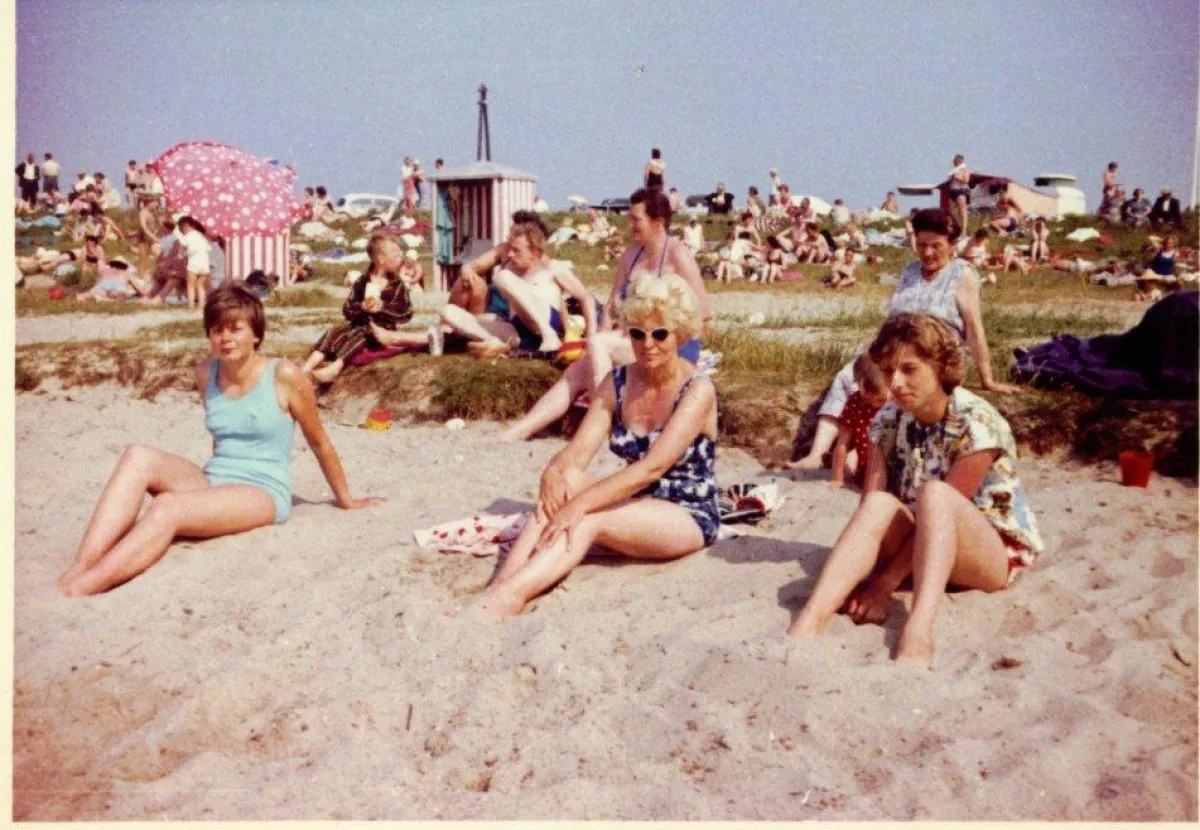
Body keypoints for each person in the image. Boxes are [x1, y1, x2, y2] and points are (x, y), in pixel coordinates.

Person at [57, 285, 384, 596]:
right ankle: (82, 565)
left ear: (256, 334)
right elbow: (225, 439)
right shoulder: (205, 372)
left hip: (262, 491)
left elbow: (320, 442)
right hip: (214, 479)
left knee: (166, 506)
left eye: (235, 328)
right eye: (217, 330)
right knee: (136, 456)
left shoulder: (284, 375)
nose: (225, 337)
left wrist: (346, 499)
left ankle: (83, 587)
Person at [788, 313, 1043, 666]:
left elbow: (943, 513)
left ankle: (919, 628)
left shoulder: (977, 422)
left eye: (909, 369)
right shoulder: (889, 420)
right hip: (923, 543)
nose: (895, 383)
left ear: (940, 367)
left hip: (989, 553)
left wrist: (884, 584)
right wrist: (865, 570)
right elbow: (870, 509)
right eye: (889, 370)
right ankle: (809, 621)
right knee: (879, 502)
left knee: (936, 493)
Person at [464, 272, 718, 619]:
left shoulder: (697, 390)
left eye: (660, 333)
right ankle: (502, 584)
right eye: (638, 333)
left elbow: (651, 468)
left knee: (582, 517)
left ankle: (511, 597)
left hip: (686, 512)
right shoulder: (619, 382)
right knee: (561, 491)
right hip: (637, 501)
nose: (648, 344)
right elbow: (578, 451)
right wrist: (555, 471)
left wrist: (580, 504)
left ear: (681, 334)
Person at [792, 207, 1019, 470]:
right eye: (922, 245)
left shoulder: (962, 274)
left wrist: (987, 379)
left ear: (952, 244)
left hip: (934, 354)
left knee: (896, 387)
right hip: (896, 348)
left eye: (936, 246)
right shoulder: (910, 270)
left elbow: (974, 328)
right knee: (848, 375)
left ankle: (868, 456)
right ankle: (818, 453)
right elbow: (892, 318)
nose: (928, 252)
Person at [499, 187, 711, 442]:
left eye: (636, 219)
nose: (629, 224)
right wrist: (599, 338)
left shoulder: (677, 254)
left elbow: (704, 313)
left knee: (599, 344)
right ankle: (519, 431)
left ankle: (603, 426)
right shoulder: (632, 255)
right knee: (578, 369)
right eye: (629, 218)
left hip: (672, 345)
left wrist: (663, 331)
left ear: (658, 221)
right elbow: (611, 305)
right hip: (634, 341)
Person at [439, 222, 596, 357]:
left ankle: (549, 335)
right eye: (510, 249)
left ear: (534, 252)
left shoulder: (552, 269)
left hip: (547, 321)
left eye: (516, 250)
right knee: (448, 311)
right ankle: (498, 343)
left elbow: (586, 298)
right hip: (518, 332)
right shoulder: (513, 273)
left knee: (502, 276)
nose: (510, 254)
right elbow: (473, 267)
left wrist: (591, 337)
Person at [301, 235, 414, 383]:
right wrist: (362, 307)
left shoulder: (397, 285)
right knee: (335, 330)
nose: (401, 258)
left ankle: (336, 367)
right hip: (358, 326)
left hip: (382, 332)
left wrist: (383, 307)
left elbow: (406, 312)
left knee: (364, 333)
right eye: (396, 254)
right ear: (381, 259)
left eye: (401, 254)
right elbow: (347, 309)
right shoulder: (362, 281)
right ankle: (305, 369)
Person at [828, 353, 888, 489]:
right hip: (866, 471)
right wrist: (837, 477)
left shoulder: (894, 403)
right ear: (856, 382)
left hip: (894, 471)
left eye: (881, 400)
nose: (875, 405)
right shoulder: (855, 403)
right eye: (867, 399)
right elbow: (842, 442)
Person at [176, 215, 211, 309]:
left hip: (193, 263)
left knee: (191, 285)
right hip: (204, 264)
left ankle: (191, 305)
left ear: (185, 226)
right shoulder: (201, 236)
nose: (180, 231)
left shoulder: (187, 237)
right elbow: (208, 249)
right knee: (200, 286)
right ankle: (201, 305)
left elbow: (182, 252)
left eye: (180, 228)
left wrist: (183, 257)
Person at [134, 194, 159, 276]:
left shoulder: (151, 213)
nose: (157, 204)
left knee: (159, 255)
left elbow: (152, 226)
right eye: (155, 202)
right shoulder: (143, 212)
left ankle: (155, 273)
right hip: (143, 239)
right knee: (143, 259)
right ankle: (141, 276)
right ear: (149, 203)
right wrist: (153, 236)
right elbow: (143, 226)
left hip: (150, 239)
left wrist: (155, 233)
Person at [947, 154, 970, 233]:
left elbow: (966, 180)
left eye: (956, 160)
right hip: (952, 190)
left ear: (960, 160)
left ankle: (964, 230)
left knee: (962, 210)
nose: (954, 162)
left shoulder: (964, 169)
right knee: (952, 209)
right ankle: (961, 226)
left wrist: (956, 177)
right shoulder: (953, 170)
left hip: (960, 190)